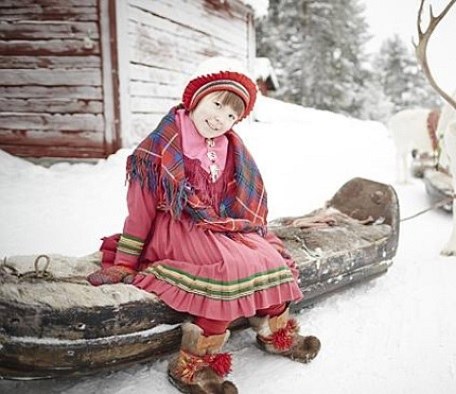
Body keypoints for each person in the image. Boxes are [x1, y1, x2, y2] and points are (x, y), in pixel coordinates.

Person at [87, 57, 321, 394]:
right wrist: (126, 260)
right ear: (196, 98)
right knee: (228, 267)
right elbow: (139, 211)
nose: (220, 119)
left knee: (268, 256)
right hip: (175, 228)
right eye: (216, 105)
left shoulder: (230, 148)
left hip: (217, 225)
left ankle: (275, 332)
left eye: (231, 115)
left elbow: (236, 200)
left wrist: (247, 230)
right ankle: (193, 364)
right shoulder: (160, 147)